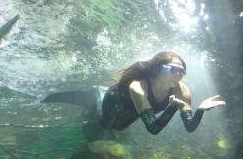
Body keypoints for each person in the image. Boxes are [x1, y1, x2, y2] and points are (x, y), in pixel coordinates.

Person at [42, 51, 225, 139]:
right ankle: (97, 94)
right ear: (156, 70)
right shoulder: (139, 87)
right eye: (171, 69)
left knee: (118, 129)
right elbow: (153, 128)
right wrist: (171, 108)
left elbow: (190, 126)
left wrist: (200, 110)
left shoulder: (182, 90)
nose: (177, 75)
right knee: (105, 125)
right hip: (117, 99)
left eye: (181, 71)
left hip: (136, 110)